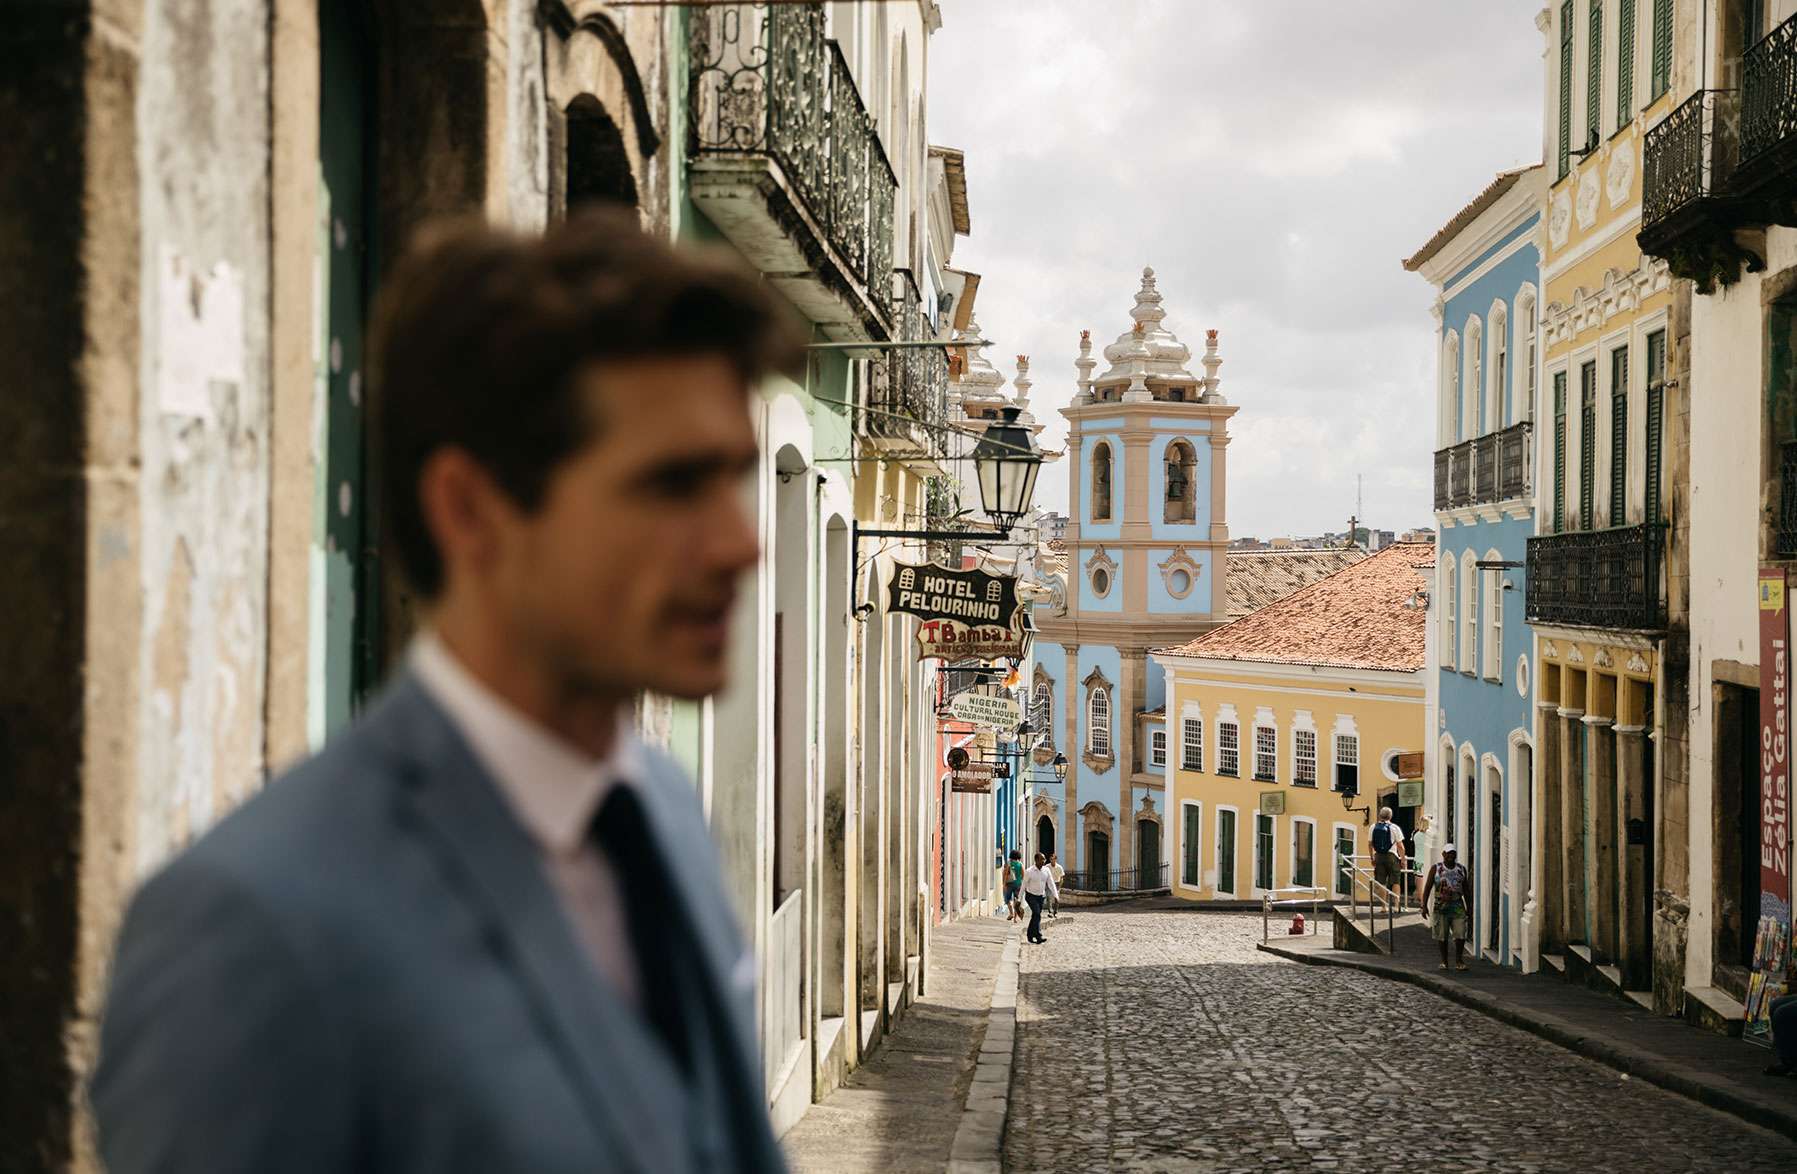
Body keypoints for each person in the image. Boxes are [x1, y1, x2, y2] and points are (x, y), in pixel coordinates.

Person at [90, 211, 803, 1174]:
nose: (741, 543)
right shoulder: (252, 932)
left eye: (735, 479)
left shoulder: (659, 811)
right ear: (470, 509)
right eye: (673, 485)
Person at [1421, 843, 1472, 972]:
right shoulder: (1436, 869)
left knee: (1460, 933)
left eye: (1453, 853)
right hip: (1440, 906)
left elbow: (1466, 890)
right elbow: (1427, 887)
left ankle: (1459, 960)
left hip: (1457, 905)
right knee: (1441, 935)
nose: (1450, 856)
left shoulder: (1461, 869)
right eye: (1448, 853)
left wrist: (1469, 907)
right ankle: (1444, 961)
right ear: (1443, 854)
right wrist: (1424, 905)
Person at [1022, 852, 1059, 945]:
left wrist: (1056, 896)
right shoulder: (1029, 871)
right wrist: (1019, 900)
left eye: (1044, 859)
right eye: (1042, 859)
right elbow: (1023, 885)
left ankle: (1030, 934)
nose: (1044, 861)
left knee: (1035, 915)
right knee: (1037, 914)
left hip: (1041, 896)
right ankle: (1038, 936)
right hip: (1030, 895)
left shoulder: (1046, 870)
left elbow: (1051, 883)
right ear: (1036, 860)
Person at [1370, 806, 1407, 897]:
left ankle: (1384, 907)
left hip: (1378, 856)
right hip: (1392, 856)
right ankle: (1396, 905)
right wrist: (1402, 860)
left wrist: (1372, 858)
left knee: (1381, 882)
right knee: (1395, 881)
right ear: (1390, 816)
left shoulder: (1373, 827)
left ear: (1380, 816)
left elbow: (1370, 844)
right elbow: (1400, 846)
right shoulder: (1394, 828)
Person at [1007, 848, 1026, 920]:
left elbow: (1005, 873)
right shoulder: (1020, 864)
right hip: (1019, 884)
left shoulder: (1009, 863)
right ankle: (1015, 917)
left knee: (1008, 899)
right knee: (1016, 901)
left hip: (1010, 883)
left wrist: (1004, 883)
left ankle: (1011, 913)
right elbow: (1024, 875)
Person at [1047, 852, 1065, 918]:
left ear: (1055, 859)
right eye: (1051, 859)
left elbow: (1062, 878)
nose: (1052, 860)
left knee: (1056, 898)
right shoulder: (1047, 867)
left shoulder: (1059, 867)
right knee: (1049, 897)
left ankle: (1056, 911)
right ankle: (1050, 912)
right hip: (1049, 883)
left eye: (1053, 859)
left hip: (1057, 883)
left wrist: (1059, 887)